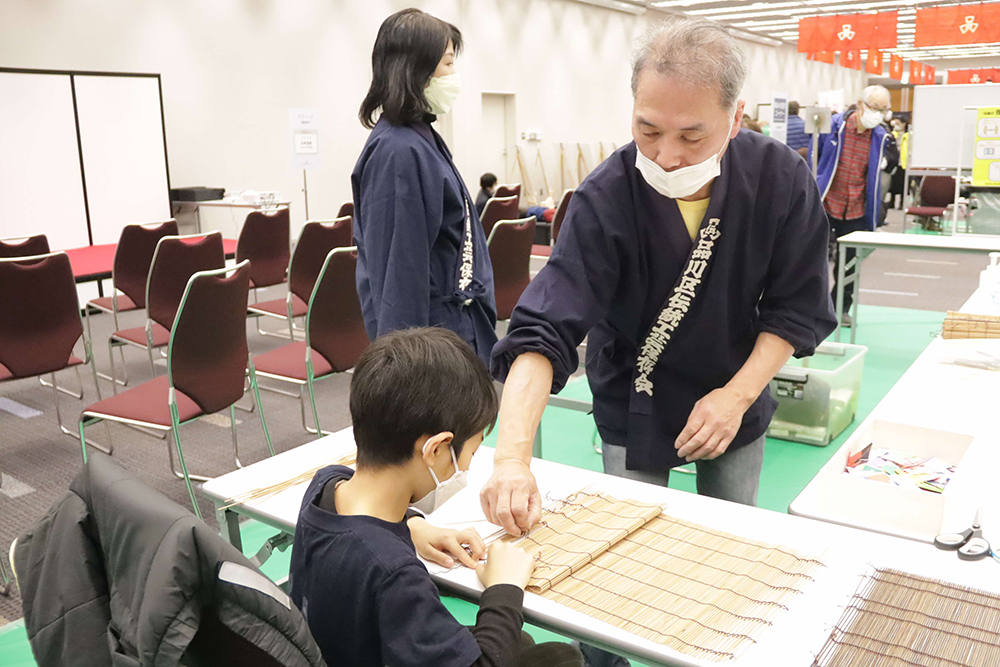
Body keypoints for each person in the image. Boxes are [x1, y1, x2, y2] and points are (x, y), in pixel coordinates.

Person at [480, 19, 835, 665]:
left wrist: (735, 396)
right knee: (623, 562)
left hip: (737, 389)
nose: (666, 155)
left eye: (691, 135)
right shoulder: (605, 196)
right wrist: (511, 457)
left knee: (732, 547)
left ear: (736, 118)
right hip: (636, 398)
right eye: (648, 130)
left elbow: (796, 306)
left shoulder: (778, 177)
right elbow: (543, 328)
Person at [289, 327, 584, 667]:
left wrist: (414, 525)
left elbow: (359, 524)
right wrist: (503, 590)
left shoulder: (324, 485)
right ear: (437, 449)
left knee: (520, 640)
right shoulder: (394, 574)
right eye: (471, 454)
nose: (468, 467)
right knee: (562, 657)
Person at [353, 9, 497, 366]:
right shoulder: (398, 152)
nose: (454, 76)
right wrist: (408, 375)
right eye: (447, 64)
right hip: (429, 349)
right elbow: (398, 281)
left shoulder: (420, 138)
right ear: (415, 69)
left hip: (453, 330)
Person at [815, 85, 893, 326]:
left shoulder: (880, 136)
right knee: (812, 260)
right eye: (874, 108)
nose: (878, 114)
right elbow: (814, 158)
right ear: (861, 104)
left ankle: (840, 307)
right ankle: (812, 308)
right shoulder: (834, 127)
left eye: (883, 110)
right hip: (827, 204)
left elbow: (885, 168)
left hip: (857, 208)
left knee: (848, 264)